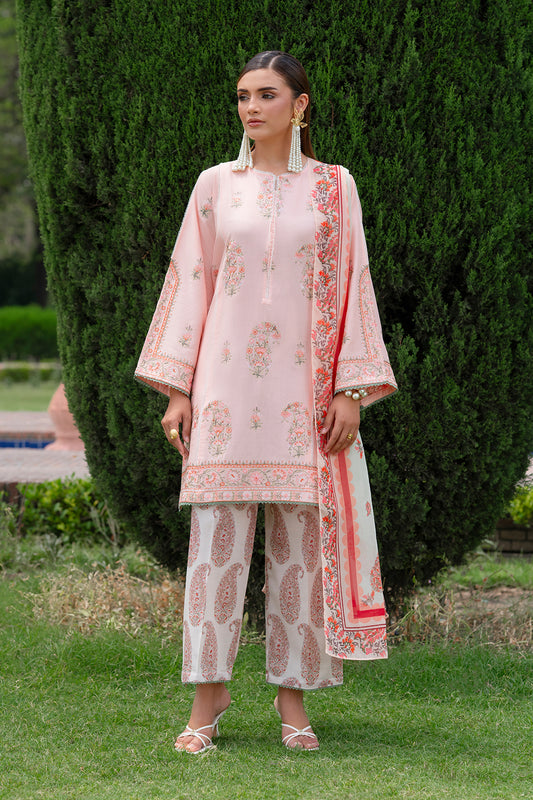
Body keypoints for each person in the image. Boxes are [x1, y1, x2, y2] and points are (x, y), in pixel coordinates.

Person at [135, 50, 397, 753]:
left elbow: (354, 284)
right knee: (214, 550)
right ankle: (206, 701)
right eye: (243, 96)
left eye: (267, 95)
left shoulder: (333, 188)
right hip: (224, 394)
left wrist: (350, 389)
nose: (251, 107)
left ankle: (292, 703)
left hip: (305, 400)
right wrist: (178, 390)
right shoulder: (216, 186)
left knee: (301, 556)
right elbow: (190, 282)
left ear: (299, 106)